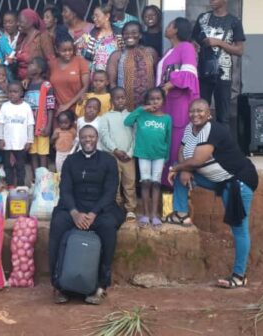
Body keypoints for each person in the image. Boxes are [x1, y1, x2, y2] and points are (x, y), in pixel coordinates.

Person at [167, 99, 258, 289]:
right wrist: (183, 169)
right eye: (192, 111)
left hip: (237, 182)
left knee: (239, 229)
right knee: (179, 171)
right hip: (218, 180)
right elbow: (182, 151)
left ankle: (239, 276)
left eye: (200, 111)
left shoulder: (213, 130)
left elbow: (198, 160)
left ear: (209, 114)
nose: (195, 114)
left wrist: (178, 168)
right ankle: (181, 214)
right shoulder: (189, 129)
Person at [49, 125, 124, 305]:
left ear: (97, 139)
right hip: (74, 208)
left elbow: (110, 191)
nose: (88, 140)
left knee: (108, 227)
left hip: (100, 209)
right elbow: (65, 189)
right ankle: (58, 284)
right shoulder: (71, 161)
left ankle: (101, 285)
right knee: (58, 224)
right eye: (84, 137)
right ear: (79, 139)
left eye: (91, 136)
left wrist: (94, 213)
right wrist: (74, 213)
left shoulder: (108, 160)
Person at [193, 0, 246, 125]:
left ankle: (222, 139)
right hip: (203, 72)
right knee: (200, 112)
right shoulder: (202, 18)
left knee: (223, 116)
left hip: (223, 74)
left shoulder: (234, 21)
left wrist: (219, 43)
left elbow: (239, 50)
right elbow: (192, 41)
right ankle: (202, 139)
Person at [157, 17, 200, 188]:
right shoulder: (170, 50)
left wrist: (171, 83)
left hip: (179, 103)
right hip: (167, 103)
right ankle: (166, 187)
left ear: (175, 30)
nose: (166, 27)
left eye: (169, 25)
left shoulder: (186, 47)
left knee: (177, 142)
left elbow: (189, 73)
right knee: (167, 142)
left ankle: (177, 187)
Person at [125, 88, 172, 228]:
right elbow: (127, 121)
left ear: (163, 101)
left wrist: (166, 158)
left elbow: (168, 139)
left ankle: (154, 215)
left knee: (156, 183)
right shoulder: (142, 114)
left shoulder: (167, 118)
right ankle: (145, 214)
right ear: (147, 101)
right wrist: (141, 109)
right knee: (145, 182)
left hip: (159, 155)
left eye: (158, 99)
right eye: (152, 99)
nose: (155, 102)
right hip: (143, 154)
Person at [99, 87, 136, 221]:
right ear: (112, 101)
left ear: (126, 99)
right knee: (114, 182)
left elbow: (136, 136)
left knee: (130, 182)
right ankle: (115, 206)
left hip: (128, 157)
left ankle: (130, 209)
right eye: (117, 98)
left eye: (123, 98)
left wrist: (130, 153)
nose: (120, 100)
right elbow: (104, 135)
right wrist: (115, 150)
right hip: (112, 156)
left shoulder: (132, 116)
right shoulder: (106, 117)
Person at [106, 21, 158, 111]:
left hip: (149, 106)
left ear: (140, 35)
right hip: (126, 107)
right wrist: (119, 103)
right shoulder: (116, 55)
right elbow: (112, 83)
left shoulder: (151, 52)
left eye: (134, 33)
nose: (130, 36)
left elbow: (157, 77)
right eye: (126, 33)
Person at [0, 81, 34, 188]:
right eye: (10, 92)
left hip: (21, 143)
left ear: (21, 93)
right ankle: (10, 185)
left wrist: (29, 140)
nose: (12, 94)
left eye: (15, 92)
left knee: (20, 166)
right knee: (8, 165)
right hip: (7, 143)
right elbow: (0, 123)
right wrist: (0, 139)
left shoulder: (26, 107)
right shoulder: (5, 106)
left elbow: (30, 125)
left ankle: (20, 186)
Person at [24, 57, 55, 173]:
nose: (28, 66)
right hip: (30, 126)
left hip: (42, 125)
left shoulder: (46, 85)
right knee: (33, 153)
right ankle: (35, 179)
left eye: (32, 64)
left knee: (42, 154)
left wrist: (48, 126)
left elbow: (50, 107)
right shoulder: (27, 84)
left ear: (39, 69)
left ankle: (43, 179)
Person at [49, 34, 90, 115]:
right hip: (58, 110)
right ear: (57, 49)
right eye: (64, 51)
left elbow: (86, 86)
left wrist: (68, 105)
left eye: (70, 50)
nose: (67, 53)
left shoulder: (80, 61)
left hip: (78, 109)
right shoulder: (52, 64)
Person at [14, 8, 55, 80]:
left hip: (36, 79)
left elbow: (51, 60)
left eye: (21, 22)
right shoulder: (22, 38)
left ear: (31, 22)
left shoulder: (42, 37)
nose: (18, 24)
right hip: (21, 80)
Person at [83, 4, 121, 74]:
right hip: (96, 77)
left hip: (114, 75)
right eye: (93, 16)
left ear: (107, 16)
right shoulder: (91, 36)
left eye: (97, 16)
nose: (94, 19)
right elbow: (86, 60)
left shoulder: (119, 35)